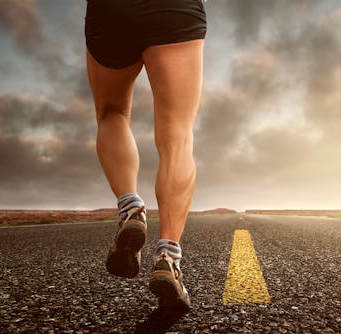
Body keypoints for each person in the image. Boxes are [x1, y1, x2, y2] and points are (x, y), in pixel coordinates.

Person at [84, 0, 206, 311]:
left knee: (112, 112)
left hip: (109, 10)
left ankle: (130, 206)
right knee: (177, 135)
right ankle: (168, 256)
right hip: (174, 10)